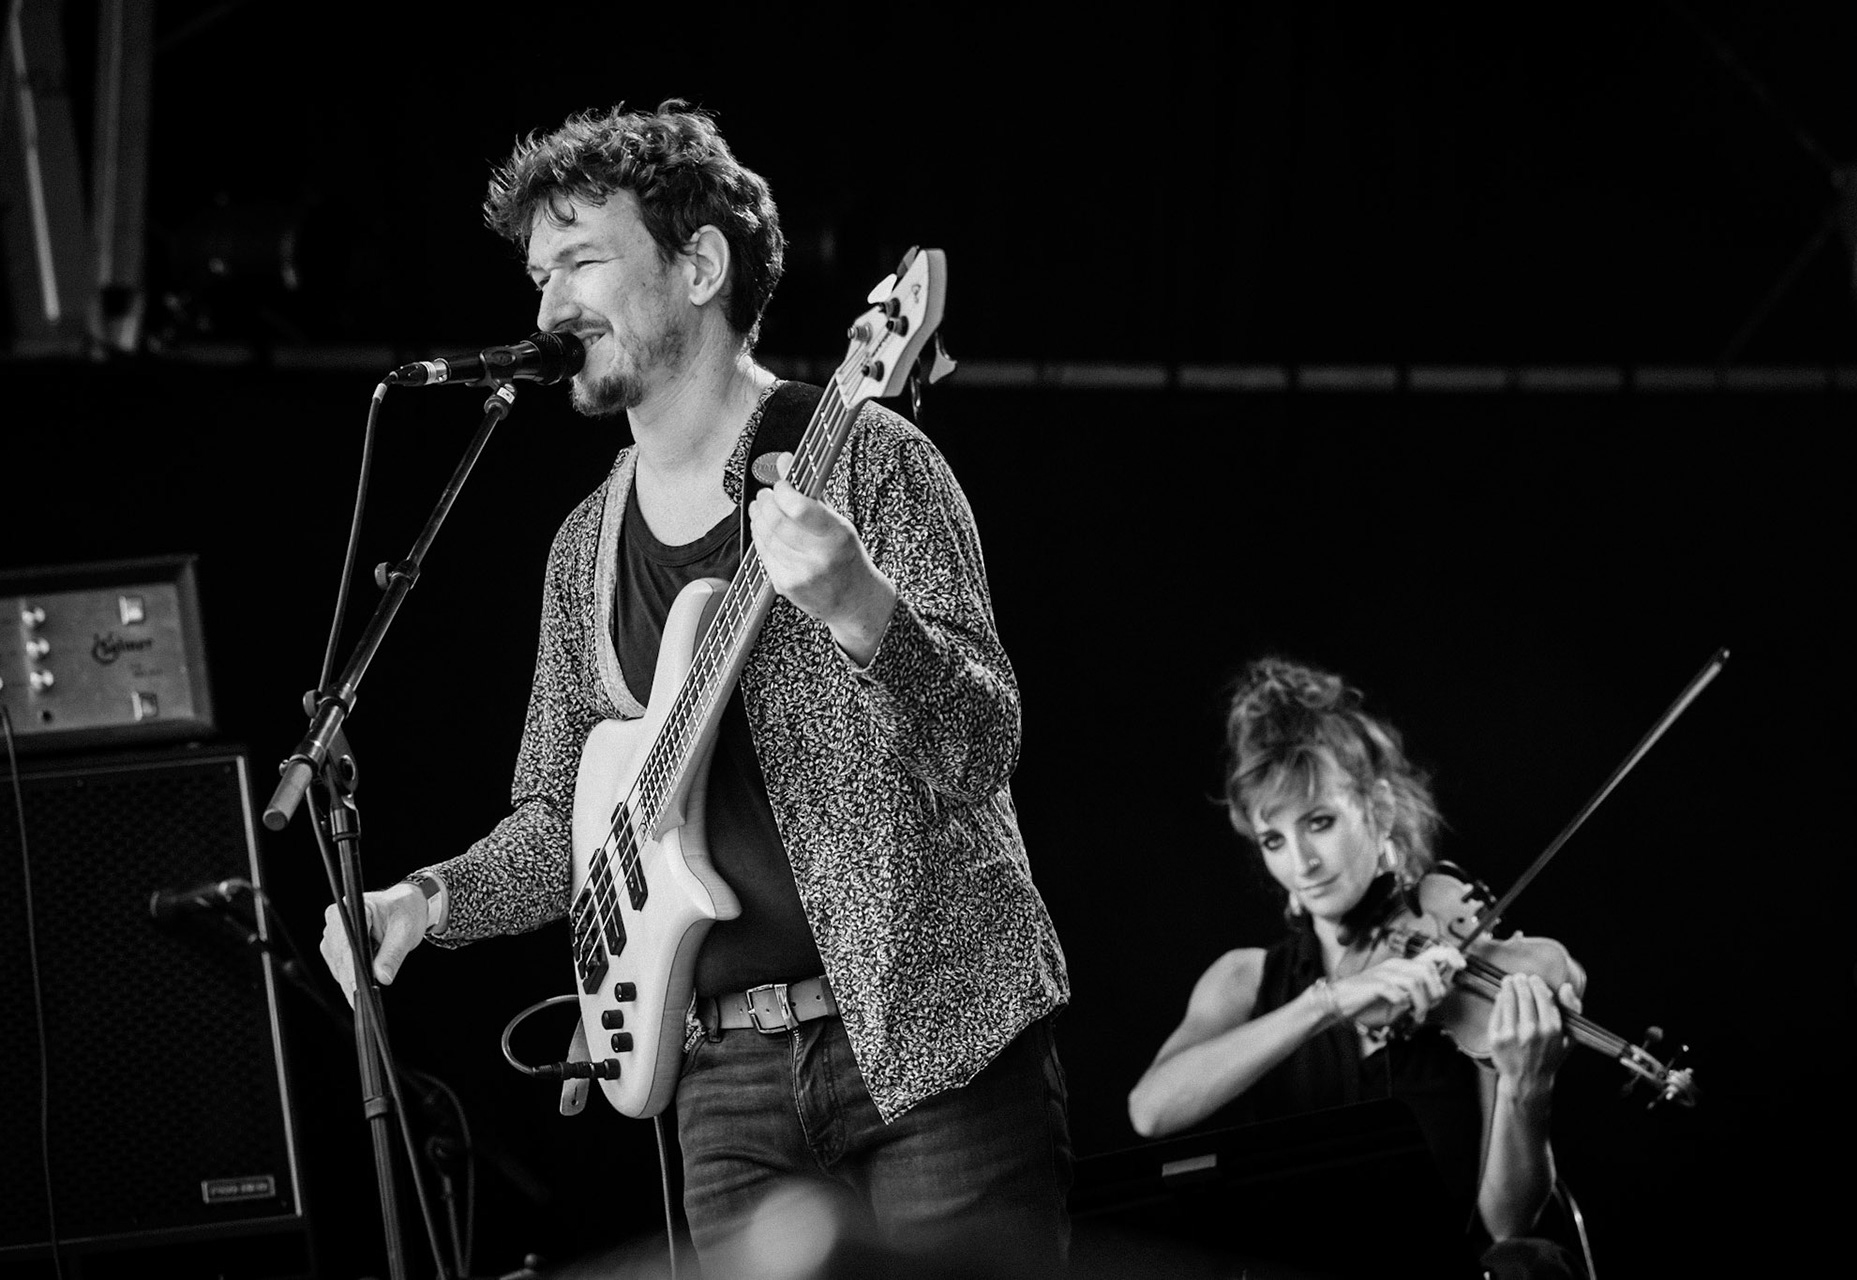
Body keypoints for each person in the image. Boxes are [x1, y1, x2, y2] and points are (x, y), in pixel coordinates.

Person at [318, 100, 1071, 1276]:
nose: (547, 306)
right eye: (535, 273)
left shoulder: (869, 456)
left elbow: (982, 744)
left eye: (581, 259)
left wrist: (862, 611)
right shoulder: (585, 545)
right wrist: (428, 899)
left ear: (701, 263)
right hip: (721, 1087)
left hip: (933, 1045)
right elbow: (563, 819)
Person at [1127, 657, 1581, 1276]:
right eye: (1274, 840)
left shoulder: (1464, 972)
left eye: (1320, 822)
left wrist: (1528, 1089)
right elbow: (1150, 1110)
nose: (1302, 863)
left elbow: (1508, 1223)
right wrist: (1328, 1001)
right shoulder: (1245, 978)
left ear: (1379, 810)